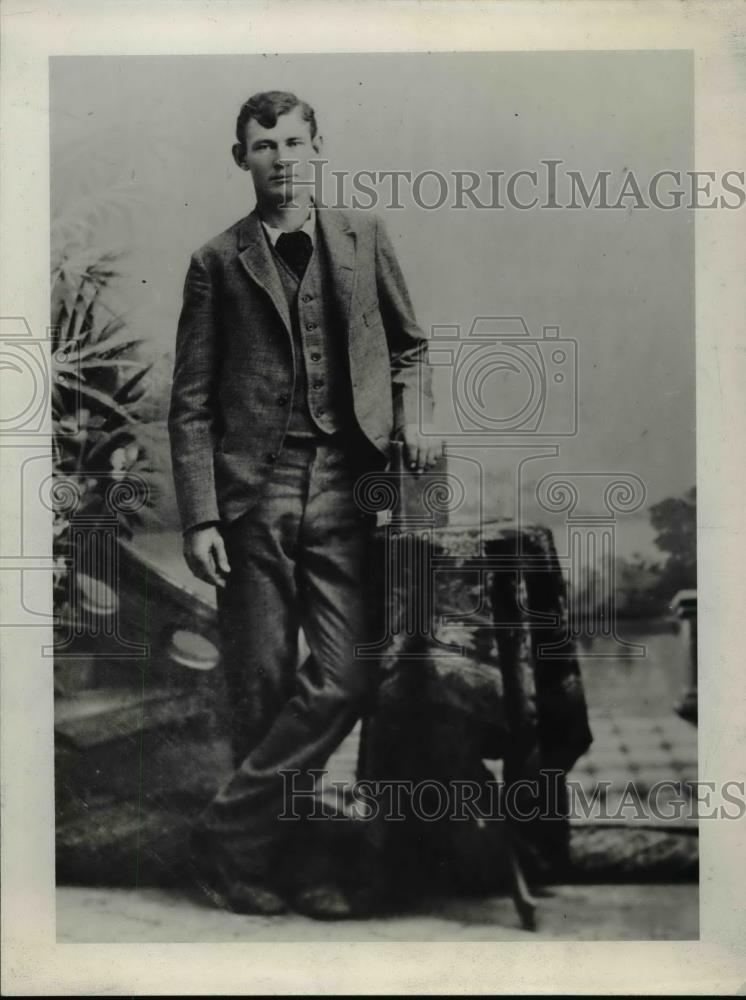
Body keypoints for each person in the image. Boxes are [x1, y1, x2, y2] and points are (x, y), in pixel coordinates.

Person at [168, 90, 438, 920]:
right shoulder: (216, 261)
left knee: (346, 676)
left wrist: (416, 412)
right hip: (254, 495)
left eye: (294, 141)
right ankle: (298, 866)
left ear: (318, 147)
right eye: (262, 145)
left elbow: (412, 347)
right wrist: (203, 516)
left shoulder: (363, 238)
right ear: (240, 157)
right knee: (265, 684)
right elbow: (191, 403)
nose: (281, 157)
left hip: (348, 488)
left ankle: (223, 836)